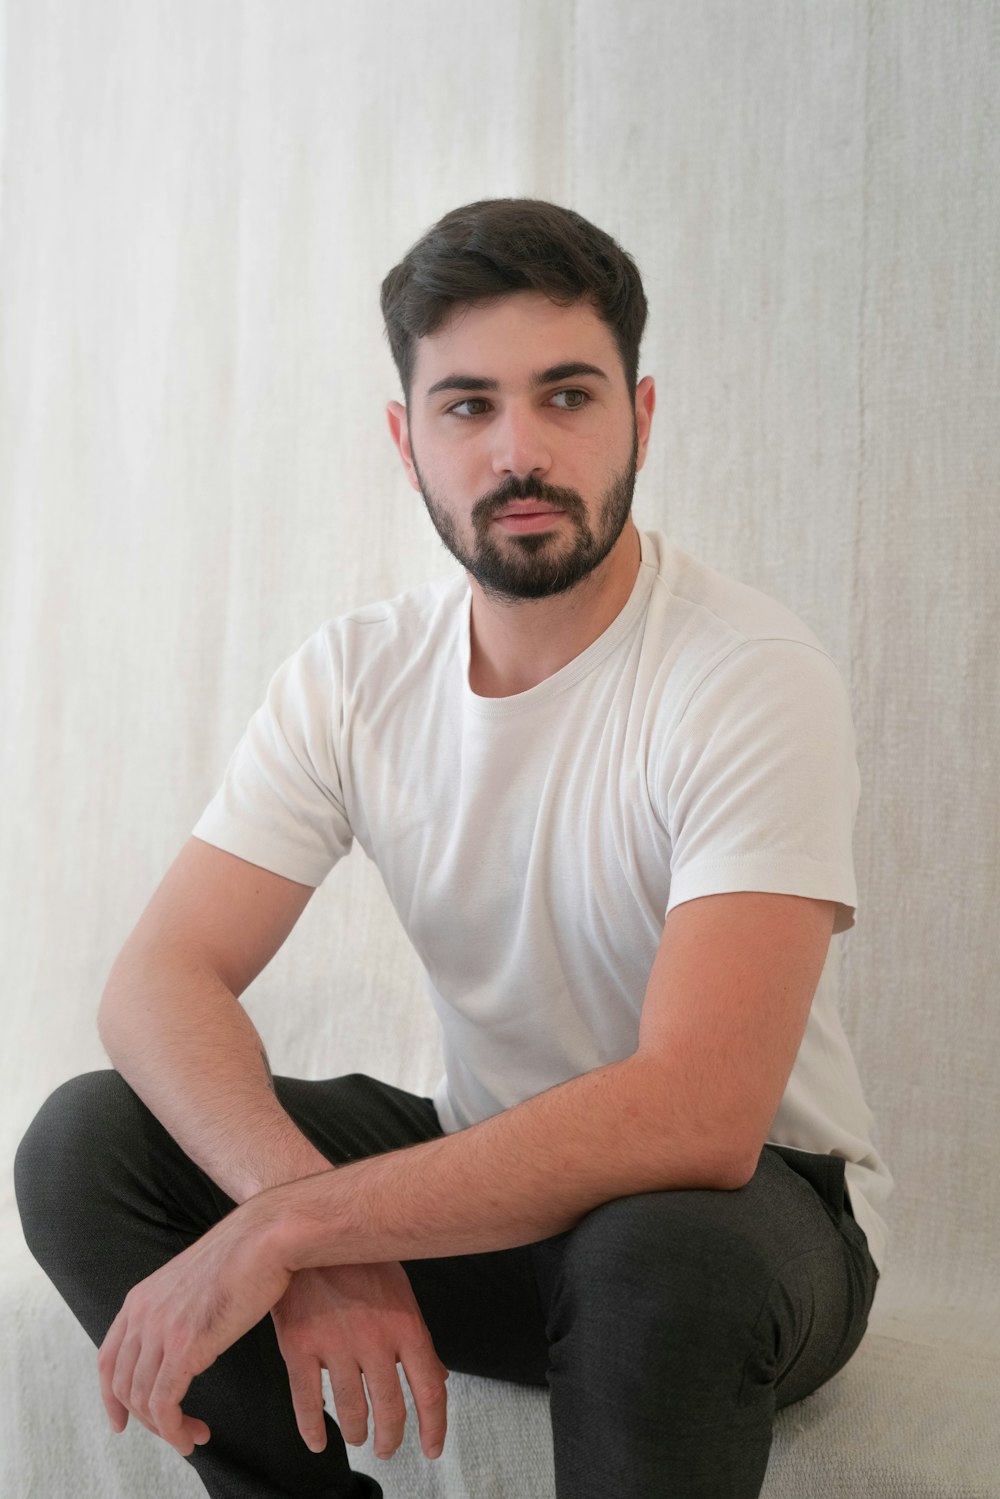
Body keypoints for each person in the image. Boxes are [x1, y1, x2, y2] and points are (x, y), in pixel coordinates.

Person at [14, 197, 892, 1499]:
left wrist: (295, 1227)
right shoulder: (360, 675)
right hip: (488, 1188)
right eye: (469, 406)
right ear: (406, 439)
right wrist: (306, 1221)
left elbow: (701, 1114)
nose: (519, 450)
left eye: (568, 396)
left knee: (656, 1255)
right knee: (90, 1140)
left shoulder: (747, 676)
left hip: (750, 1220)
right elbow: (161, 978)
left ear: (641, 419)